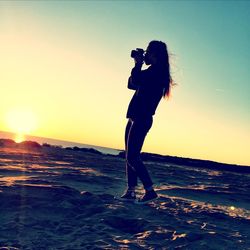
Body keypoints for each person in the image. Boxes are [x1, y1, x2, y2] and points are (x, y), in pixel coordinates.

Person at [119, 40, 173, 204]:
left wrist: (137, 64)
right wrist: (139, 65)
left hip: (142, 118)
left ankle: (149, 191)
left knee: (133, 156)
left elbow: (137, 79)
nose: (146, 54)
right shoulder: (152, 71)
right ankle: (131, 191)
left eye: (148, 51)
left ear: (156, 54)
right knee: (130, 156)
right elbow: (132, 84)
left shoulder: (157, 73)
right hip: (135, 116)